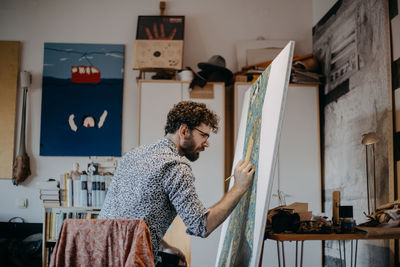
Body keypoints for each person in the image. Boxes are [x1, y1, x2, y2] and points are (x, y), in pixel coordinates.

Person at [99, 101, 254, 266]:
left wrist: (165, 247)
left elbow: (134, 215)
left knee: (177, 262)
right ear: (184, 131)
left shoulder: (132, 155)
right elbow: (201, 226)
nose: (207, 143)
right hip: (128, 260)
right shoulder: (175, 167)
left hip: (100, 255)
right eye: (204, 135)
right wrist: (239, 187)